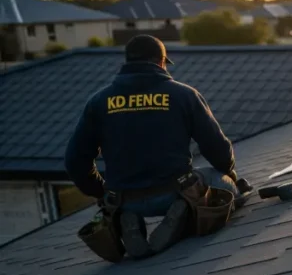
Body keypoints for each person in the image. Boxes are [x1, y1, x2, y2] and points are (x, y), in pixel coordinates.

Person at [65, 35, 241, 260]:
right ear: (161, 62)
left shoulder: (99, 102)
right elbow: (217, 149)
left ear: (127, 63)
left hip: (124, 199)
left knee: (126, 199)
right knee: (225, 185)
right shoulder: (183, 95)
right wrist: (229, 171)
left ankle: (130, 221)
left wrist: (101, 192)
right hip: (176, 191)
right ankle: (184, 215)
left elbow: (75, 162)